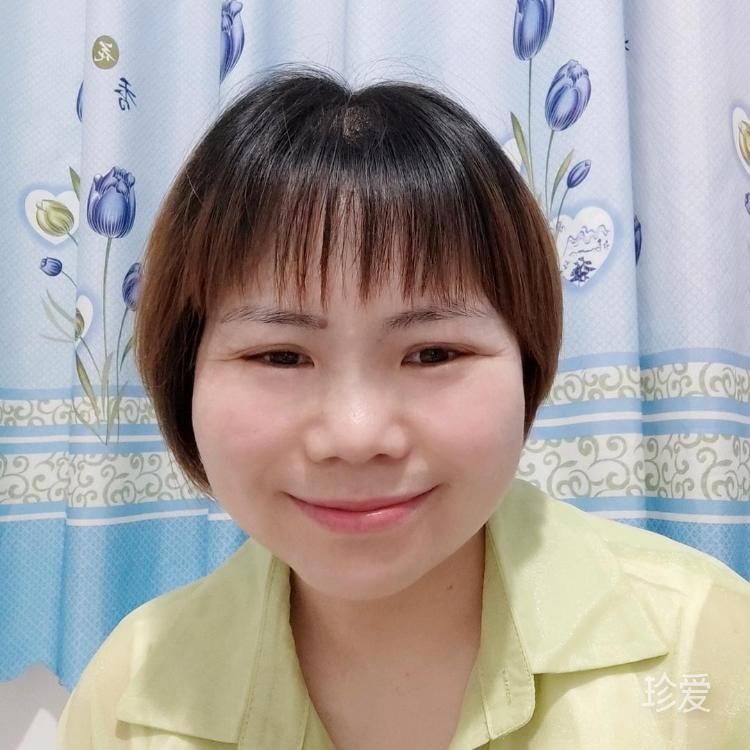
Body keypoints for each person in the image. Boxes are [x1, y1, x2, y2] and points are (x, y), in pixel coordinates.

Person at [58, 64, 750, 749]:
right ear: (184, 375)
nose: (356, 435)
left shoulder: (711, 648)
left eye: (432, 354)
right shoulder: (131, 697)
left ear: (529, 362)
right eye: (281, 357)